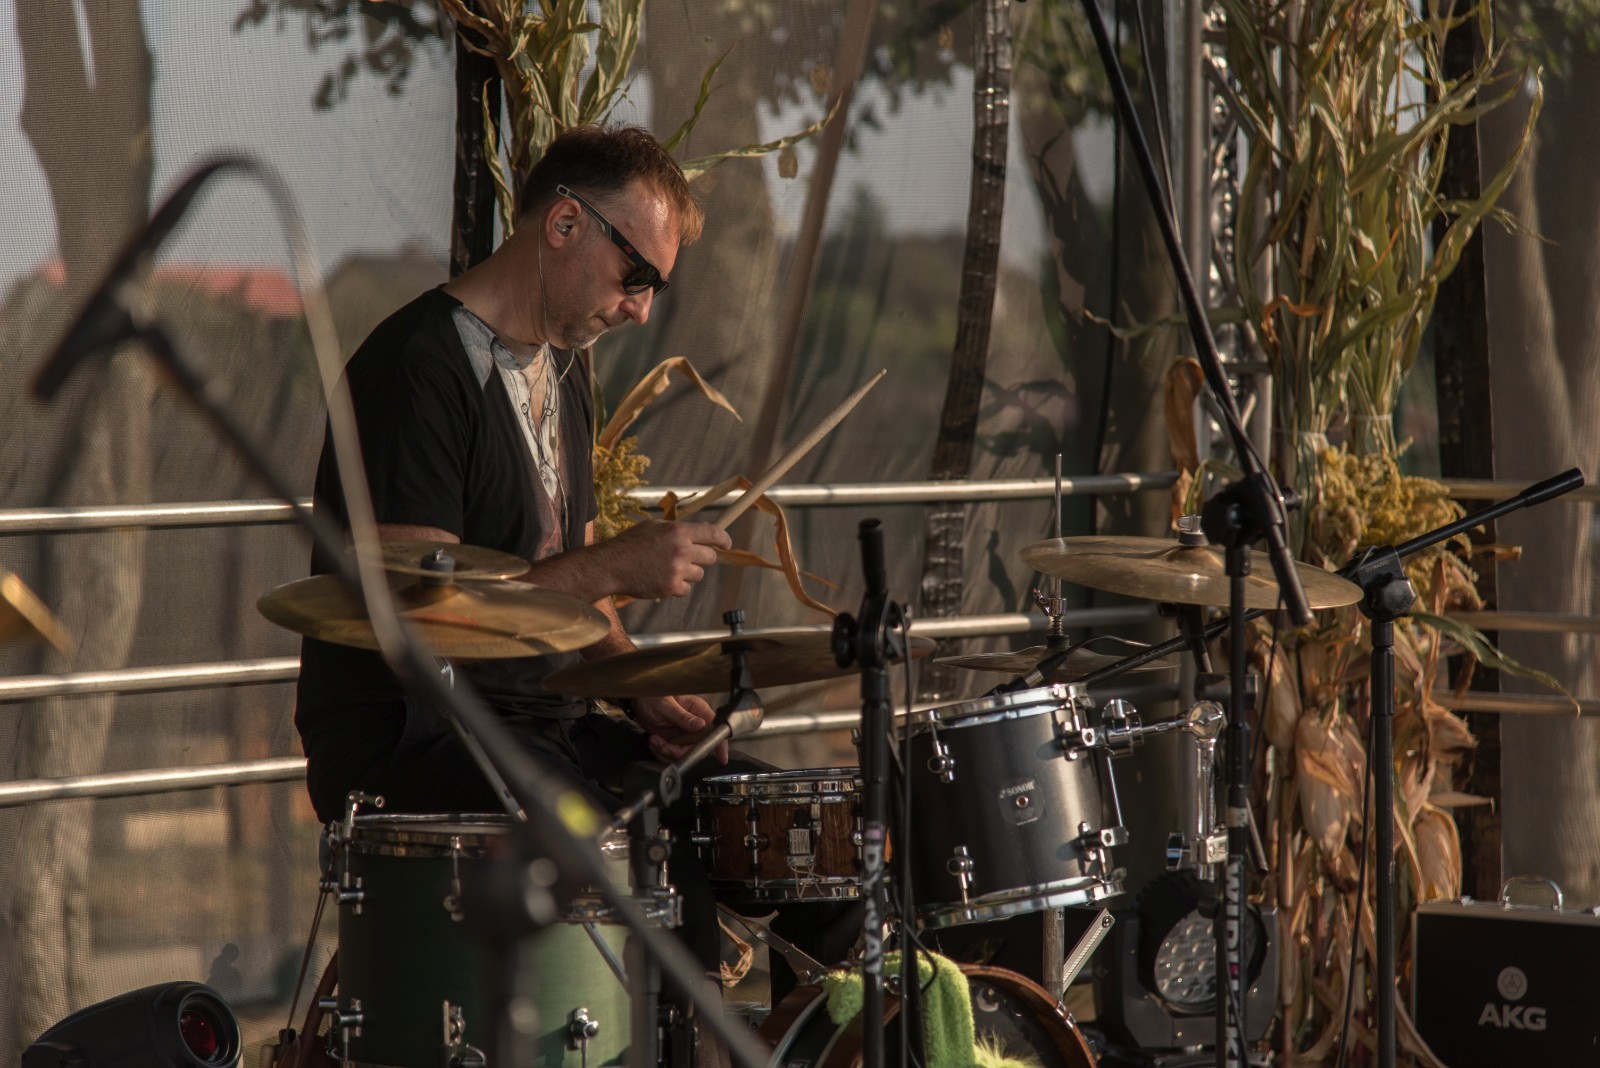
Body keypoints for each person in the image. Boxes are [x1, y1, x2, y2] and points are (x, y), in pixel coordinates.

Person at [294, 124, 749, 982]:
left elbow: (576, 590)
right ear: (566, 224)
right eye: (637, 277)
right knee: (635, 861)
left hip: (544, 725)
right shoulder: (418, 370)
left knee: (750, 811)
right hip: (421, 738)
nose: (641, 309)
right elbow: (419, 626)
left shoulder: (566, 372)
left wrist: (638, 687)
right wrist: (615, 565)